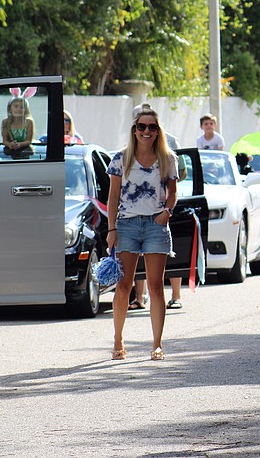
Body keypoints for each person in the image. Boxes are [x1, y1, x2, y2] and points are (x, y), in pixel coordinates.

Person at [106, 105, 179, 361]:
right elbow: (113, 197)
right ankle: (118, 340)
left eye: (152, 127)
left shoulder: (168, 159)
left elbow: (173, 192)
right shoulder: (120, 158)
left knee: (156, 286)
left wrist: (167, 212)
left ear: (158, 131)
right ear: (134, 130)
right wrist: (111, 229)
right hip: (126, 224)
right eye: (141, 127)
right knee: (123, 286)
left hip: (155, 225)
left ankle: (157, 344)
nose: (146, 131)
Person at [129, 103, 188, 310]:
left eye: (150, 126)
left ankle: (177, 295)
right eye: (139, 123)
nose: (146, 130)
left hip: (163, 206)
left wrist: (165, 196)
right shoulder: (131, 143)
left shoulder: (169, 141)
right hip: (135, 213)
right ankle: (139, 297)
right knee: (138, 257)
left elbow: (181, 172)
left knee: (171, 251)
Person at [1, 88, 36, 157]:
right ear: (10, 109)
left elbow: (29, 141)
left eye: (22, 107)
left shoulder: (29, 121)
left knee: (25, 152)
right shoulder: (6, 122)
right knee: (8, 152)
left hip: (25, 148)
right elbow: (5, 141)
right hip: (11, 148)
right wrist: (10, 144)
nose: (19, 109)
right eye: (16, 106)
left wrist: (20, 144)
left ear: (26, 109)